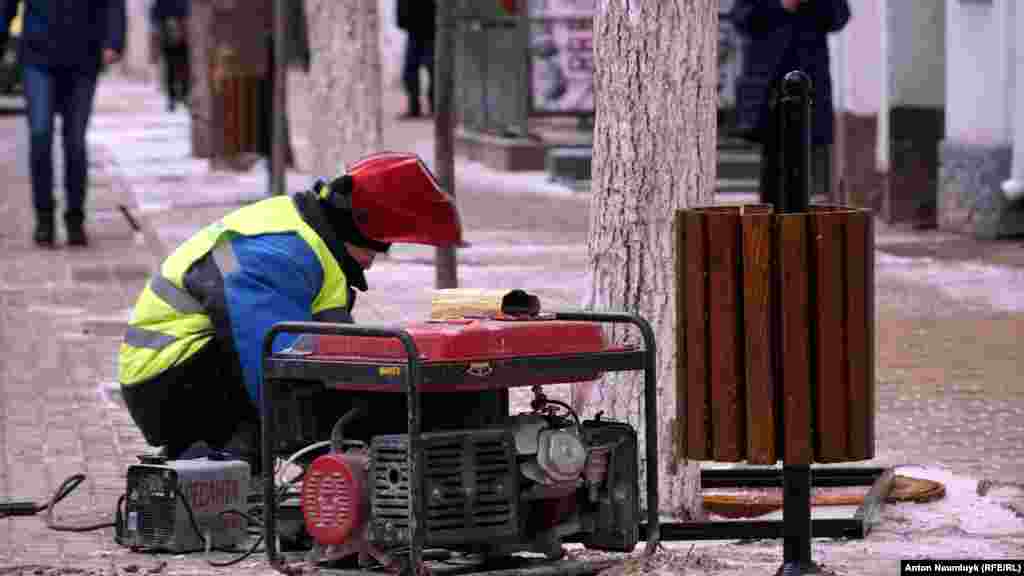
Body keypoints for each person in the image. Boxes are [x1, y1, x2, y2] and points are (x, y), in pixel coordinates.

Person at [117, 152, 463, 472]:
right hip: (167, 384)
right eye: (378, 246)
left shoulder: (313, 242)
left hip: (188, 370)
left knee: (310, 380)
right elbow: (265, 358)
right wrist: (327, 460)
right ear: (357, 227)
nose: (376, 257)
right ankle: (227, 466)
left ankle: (230, 463)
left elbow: (336, 348)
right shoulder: (276, 252)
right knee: (280, 376)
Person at [2, 0, 125, 248]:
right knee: (40, 134)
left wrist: (113, 40)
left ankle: (75, 218)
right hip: (37, 56)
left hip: (83, 57)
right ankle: (44, 218)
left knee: (75, 142)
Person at [732, 0, 850, 204]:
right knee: (773, 162)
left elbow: (839, 17)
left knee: (802, 160)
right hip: (768, 84)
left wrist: (809, 5)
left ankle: (797, 220)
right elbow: (742, 17)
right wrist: (781, 6)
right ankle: (771, 221)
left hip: (809, 82)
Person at [396, 0, 436, 119]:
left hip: (430, 26)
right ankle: (414, 107)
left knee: (432, 67)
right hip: (415, 27)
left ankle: (434, 107)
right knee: (410, 70)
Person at [150, 0, 190, 112]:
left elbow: (154, 13)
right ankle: (173, 97)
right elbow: (155, 13)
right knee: (172, 66)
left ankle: (182, 95)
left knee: (182, 65)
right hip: (168, 33)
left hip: (181, 31)